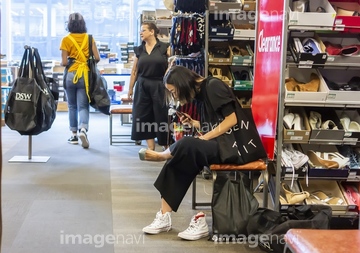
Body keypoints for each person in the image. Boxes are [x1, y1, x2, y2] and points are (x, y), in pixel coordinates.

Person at [138, 65, 241, 240]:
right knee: (184, 154)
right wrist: (195, 124)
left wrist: (205, 137)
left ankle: (164, 156)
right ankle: (164, 215)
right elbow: (217, 123)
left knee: (187, 145)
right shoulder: (202, 93)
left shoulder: (213, 86)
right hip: (223, 144)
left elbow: (232, 120)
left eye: (173, 91)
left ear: (182, 83)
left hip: (236, 148)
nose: (174, 96)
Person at [128, 22, 171, 150]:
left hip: (159, 85)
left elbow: (172, 65)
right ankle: (150, 148)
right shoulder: (139, 50)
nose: (141, 33)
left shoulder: (164, 48)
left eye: (143, 30)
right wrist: (130, 88)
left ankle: (165, 146)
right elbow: (135, 71)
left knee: (161, 115)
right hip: (142, 85)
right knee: (143, 115)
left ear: (152, 32)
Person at [60, 13, 100, 148]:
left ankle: (74, 135)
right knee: (83, 105)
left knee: (72, 106)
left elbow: (64, 62)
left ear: (69, 24)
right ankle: (83, 129)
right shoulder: (89, 38)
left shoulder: (66, 39)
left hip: (71, 74)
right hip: (85, 75)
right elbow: (97, 58)